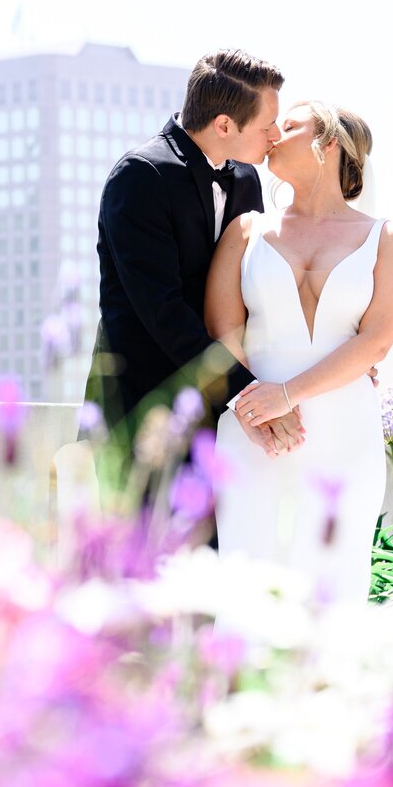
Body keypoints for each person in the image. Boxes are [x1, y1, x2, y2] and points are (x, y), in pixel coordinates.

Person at [205, 101, 393, 603]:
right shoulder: (246, 230)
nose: (273, 133)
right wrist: (258, 409)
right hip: (253, 431)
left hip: (346, 433)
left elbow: (376, 341)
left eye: (290, 126)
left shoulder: (387, 238)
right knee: (248, 579)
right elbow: (222, 329)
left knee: (333, 583)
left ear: (329, 144)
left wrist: (288, 395)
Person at [82, 49, 306, 475]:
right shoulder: (139, 177)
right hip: (141, 415)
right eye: (266, 125)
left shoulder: (245, 178)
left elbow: (259, 290)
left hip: (223, 420)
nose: (275, 134)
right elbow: (164, 312)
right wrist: (250, 396)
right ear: (224, 125)